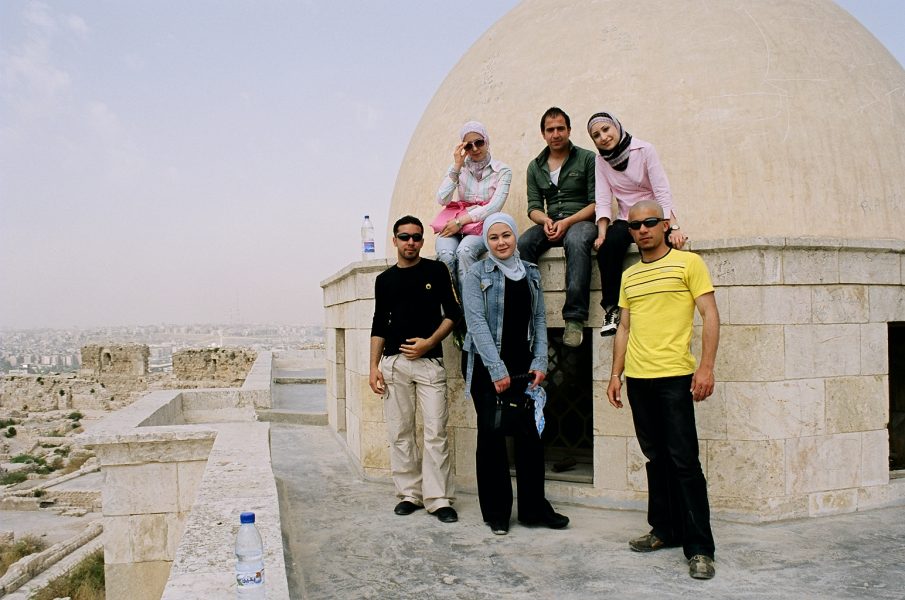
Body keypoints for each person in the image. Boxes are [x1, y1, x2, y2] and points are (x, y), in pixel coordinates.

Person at [605, 200, 719, 580]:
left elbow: (710, 315)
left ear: (665, 224)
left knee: (684, 461)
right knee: (656, 458)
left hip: (674, 378)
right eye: (635, 226)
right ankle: (665, 530)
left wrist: (705, 367)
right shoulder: (630, 276)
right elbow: (624, 327)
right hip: (638, 378)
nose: (642, 230)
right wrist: (615, 374)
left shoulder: (689, 264)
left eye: (650, 223)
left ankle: (700, 548)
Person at [462, 212, 569, 535]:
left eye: (506, 235)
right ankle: (497, 513)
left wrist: (540, 362)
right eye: (493, 238)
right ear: (486, 242)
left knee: (530, 437)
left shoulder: (531, 273)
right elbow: (476, 324)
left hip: (523, 366)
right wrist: (496, 370)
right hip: (487, 365)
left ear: (514, 237)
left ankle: (534, 509)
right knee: (492, 438)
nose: (501, 242)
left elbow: (538, 320)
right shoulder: (475, 274)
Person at [369, 215, 462, 523]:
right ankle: (410, 493)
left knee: (436, 432)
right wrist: (373, 367)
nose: (411, 242)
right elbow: (379, 323)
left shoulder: (435, 270)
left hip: (429, 363)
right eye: (405, 237)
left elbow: (452, 314)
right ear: (394, 240)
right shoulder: (384, 280)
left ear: (423, 240)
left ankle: (438, 499)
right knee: (400, 432)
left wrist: (428, 342)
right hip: (394, 364)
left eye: (417, 237)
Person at [588, 111, 688, 337]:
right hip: (626, 217)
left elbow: (661, 190)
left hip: (652, 213)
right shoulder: (600, 160)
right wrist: (602, 233)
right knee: (608, 248)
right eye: (596, 135)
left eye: (606, 129)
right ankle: (612, 309)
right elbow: (603, 199)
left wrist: (671, 226)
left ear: (617, 127)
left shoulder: (644, 150)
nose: (603, 137)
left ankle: (669, 306)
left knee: (665, 250)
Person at [518, 107, 597, 348]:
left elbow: (597, 203)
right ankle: (528, 312)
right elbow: (533, 207)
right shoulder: (535, 166)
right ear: (543, 134)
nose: (556, 134)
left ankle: (574, 318)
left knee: (576, 240)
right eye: (550, 129)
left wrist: (568, 221)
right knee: (522, 245)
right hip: (551, 222)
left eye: (560, 128)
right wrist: (546, 221)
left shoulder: (587, 158)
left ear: (569, 130)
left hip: (581, 221)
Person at [434, 121, 512, 290]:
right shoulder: (458, 169)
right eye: (469, 146)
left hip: (483, 225)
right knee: (445, 255)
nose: (475, 149)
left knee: (465, 251)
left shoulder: (502, 170)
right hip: (457, 226)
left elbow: (494, 206)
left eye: (479, 142)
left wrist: (460, 222)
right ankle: (454, 310)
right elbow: (442, 199)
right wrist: (456, 166)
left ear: (487, 141)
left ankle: (471, 309)